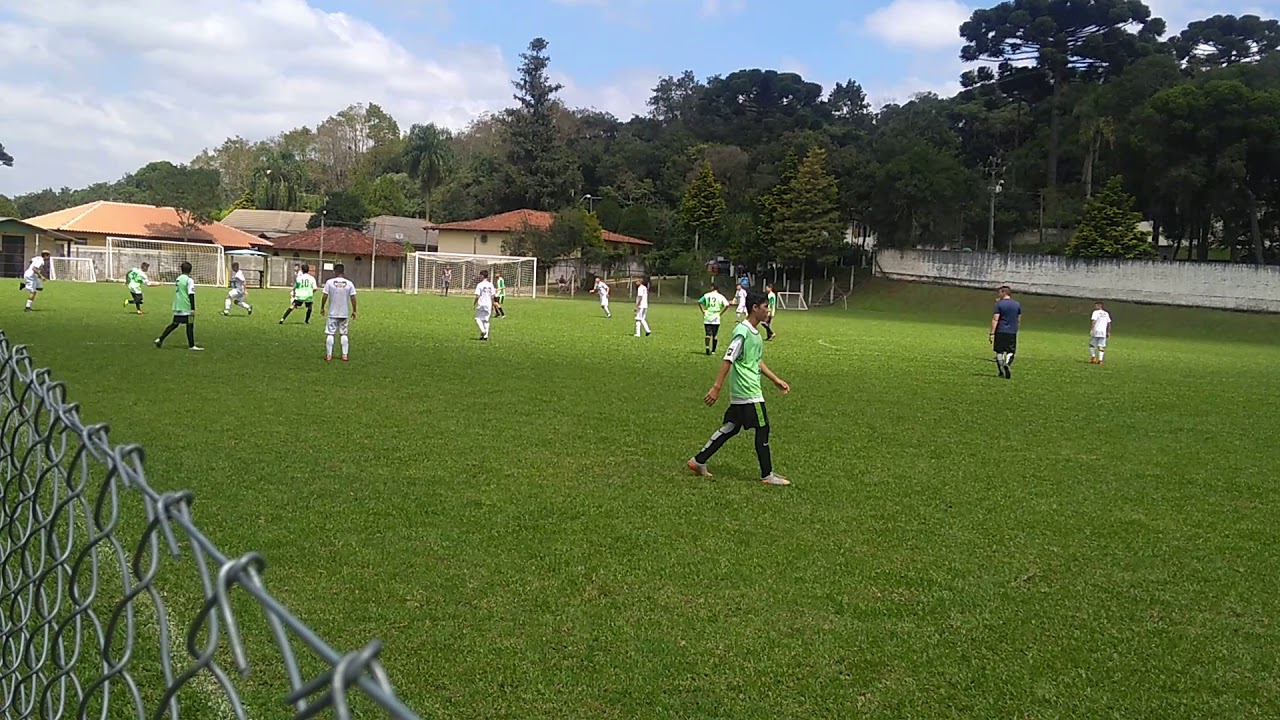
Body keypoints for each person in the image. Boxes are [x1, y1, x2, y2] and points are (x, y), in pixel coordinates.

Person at [687, 291, 791, 486]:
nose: (767, 310)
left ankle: (698, 460)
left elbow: (756, 361)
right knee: (763, 427)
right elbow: (728, 358)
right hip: (748, 390)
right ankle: (767, 475)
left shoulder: (756, 334)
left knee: (731, 427)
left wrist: (775, 379)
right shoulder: (742, 332)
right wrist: (716, 387)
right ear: (755, 308)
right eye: (765, 307)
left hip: (744, 391)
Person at [155, 261, 202, 351]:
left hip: (178, 305)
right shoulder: (189, 280)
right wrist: (193, 308)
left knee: (174, 324)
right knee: (190, 325)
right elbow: (191, 294)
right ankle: (191, 346)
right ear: (190, 270)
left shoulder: (178, 278)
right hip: (186, 306)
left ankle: (160, 339)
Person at [319, 263, 357, 361]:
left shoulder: (329, 282)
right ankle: (344, 355)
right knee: (344, 334)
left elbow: (325, 295)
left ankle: (329, 355)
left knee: (330, 333)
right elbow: (353, 297)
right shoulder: (349, 283)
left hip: (332, 313)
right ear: (344, 272)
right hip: (344, 313)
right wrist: (354, 310)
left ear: (334, 272)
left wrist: (322, 307)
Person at [990, 285, 1021, 379]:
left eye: (1000, 292)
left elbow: (995, 319)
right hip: (1011, 331)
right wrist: (1016, 329)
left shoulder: (999, 304)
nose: (999, 294)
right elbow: (1018, 319)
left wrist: (992, 333)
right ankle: (1007, 364)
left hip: (1000, 330)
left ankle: (1001, 372)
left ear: (1004, 293)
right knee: (1011, 351)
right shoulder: (1017, 304)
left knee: (999, 351)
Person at [697, 283, 730, 356]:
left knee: (708, 333)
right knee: (715, 334)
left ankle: (707, 347)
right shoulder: (720, 296)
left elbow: (699, 302)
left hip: (708, 315)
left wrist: (703, 310)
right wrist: (721, 313)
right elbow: (727, 305)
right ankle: (713, 350)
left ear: (712, 287)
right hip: (716, 316)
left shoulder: (707, 295)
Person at [474, 270, 495, 340]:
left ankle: (483, 331)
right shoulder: (490, 285)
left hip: (481, 304)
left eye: (480, 275)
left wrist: (474, 303)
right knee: (486, 320)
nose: (479, 277)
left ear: (482, 276)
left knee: (477, 319)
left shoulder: (479, 285)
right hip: (488, 304)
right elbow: (493, 296)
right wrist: (492, 305)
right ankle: (485, 336)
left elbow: (477, 296)